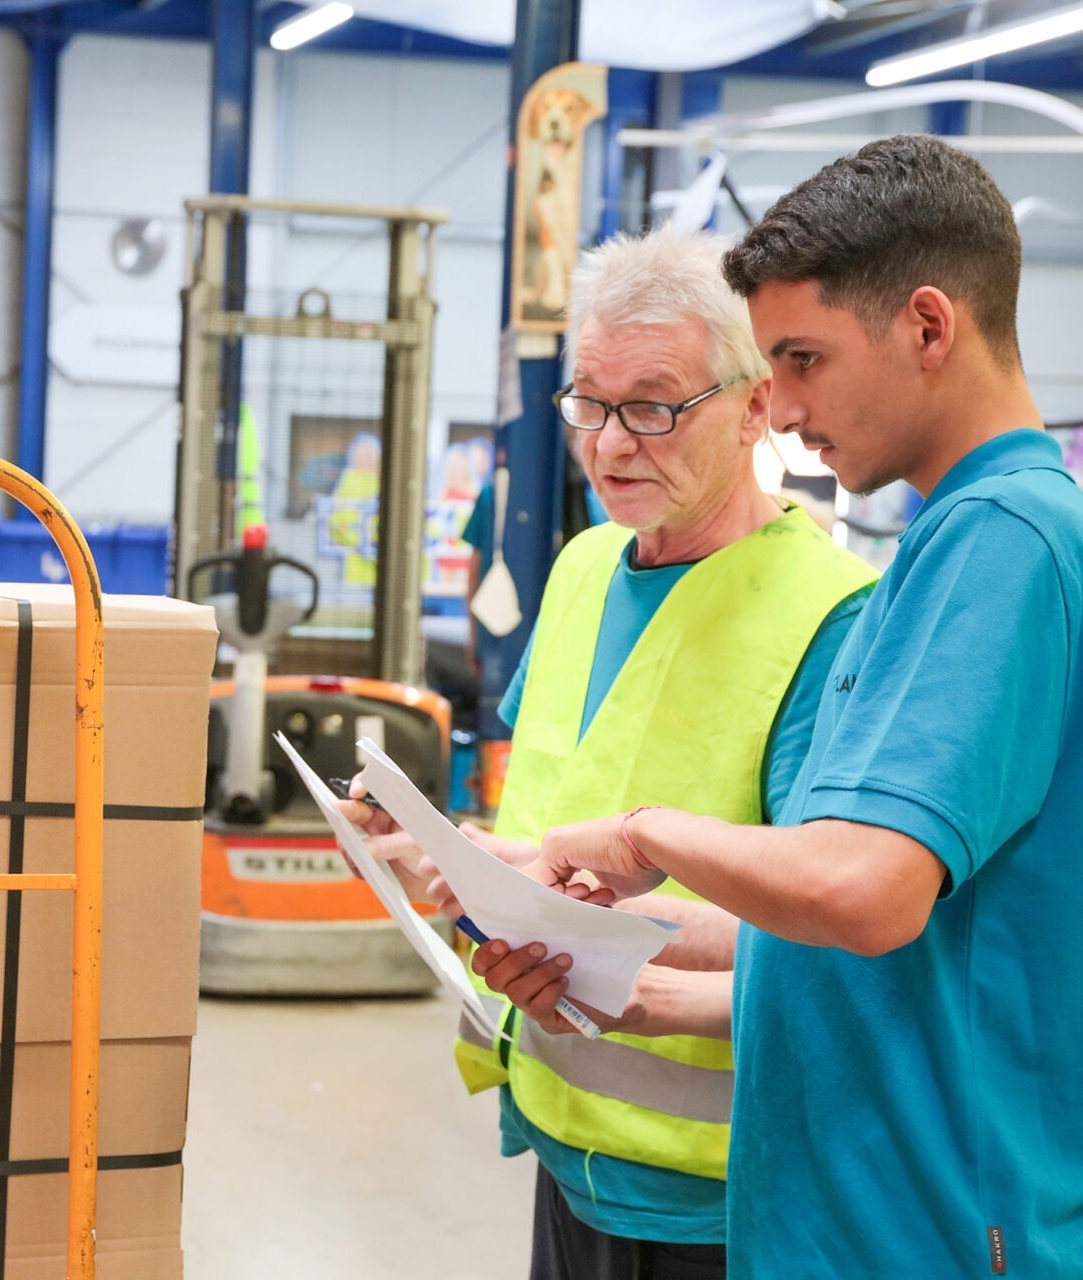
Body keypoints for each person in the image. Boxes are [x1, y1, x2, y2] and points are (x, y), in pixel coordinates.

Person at [480, 136, 1083, 1278]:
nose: (779, 409)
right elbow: (891, 936)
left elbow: (862, 889)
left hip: (933, 1216)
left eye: (801, 358)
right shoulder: (968, 539)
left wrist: (644, 839)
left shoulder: (1002, 543)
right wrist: (637, 976)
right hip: (882, 1200)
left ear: (929, 327)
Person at [342, 224, 876, 1280]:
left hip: (721, 1189)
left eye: (655, 405)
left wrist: (606, 936)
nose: (613, 442)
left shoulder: (830, 616)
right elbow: (558, 832)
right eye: (591, 402)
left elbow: (839, 912)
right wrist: (450, 858)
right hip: (564, 1133)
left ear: (756, 402)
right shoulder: (586, 568)